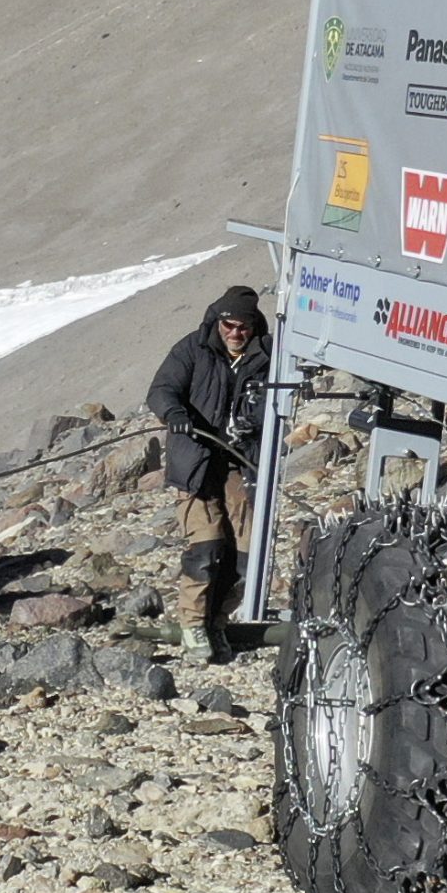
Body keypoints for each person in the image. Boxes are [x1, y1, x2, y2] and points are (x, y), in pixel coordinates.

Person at [146, 280, 275, 658]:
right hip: (196, 462)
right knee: (207, 545)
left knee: (248, 552)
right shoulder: (193, 348)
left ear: (254, 327)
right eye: (229, 325)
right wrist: (175, 415)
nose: (236, 333)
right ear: (218, 321)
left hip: (243, 463)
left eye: (244, 327)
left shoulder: (268, 356)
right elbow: (162, 389)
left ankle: (217, 622)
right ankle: (192, 626)